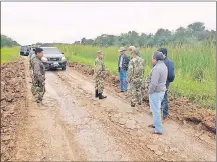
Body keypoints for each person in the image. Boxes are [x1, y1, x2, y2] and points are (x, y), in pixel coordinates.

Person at [146, 51, 168, 135]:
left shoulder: (157, 68)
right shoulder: (164, 66)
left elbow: (154, 83)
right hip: (161, 91)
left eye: (152, 58)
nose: (152, 60)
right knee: (156, 109)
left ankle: (158, 129)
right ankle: (155, 124)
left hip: (156, 92)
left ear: (155, 59)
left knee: (156, 110)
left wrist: (149, 91)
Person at [158, 48, 175, 120]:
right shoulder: (161, 61)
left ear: (164, 54)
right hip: (160, 82)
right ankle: (160, 112)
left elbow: (171, 75)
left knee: (164, 97)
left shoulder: (168, 62)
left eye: (160, 54)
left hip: (164, 82)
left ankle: (164, 114)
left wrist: (168, 81)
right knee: (160, 97)